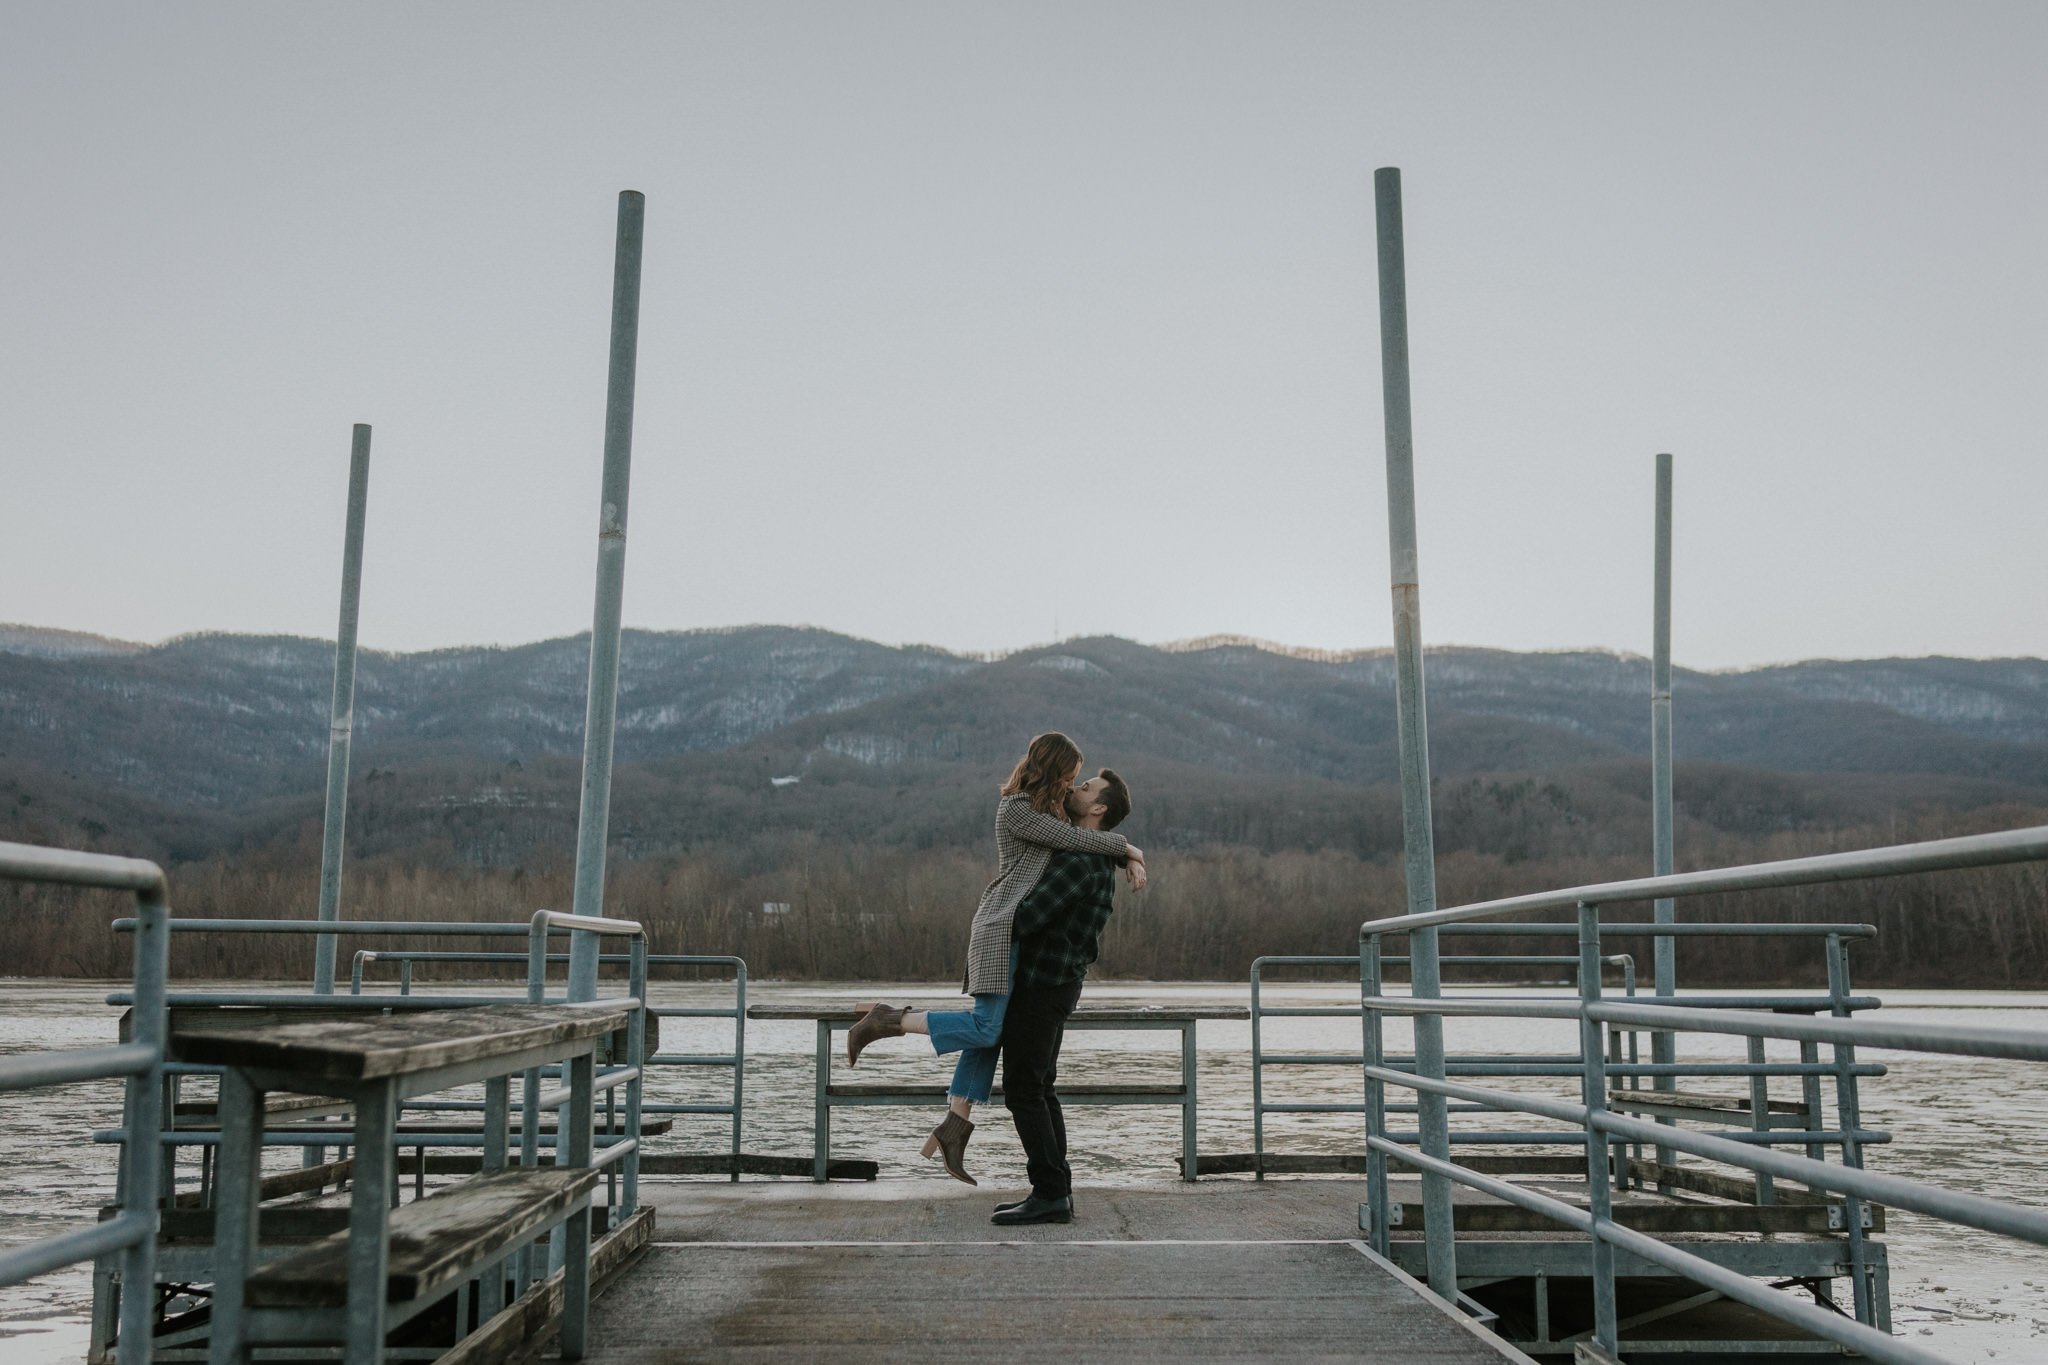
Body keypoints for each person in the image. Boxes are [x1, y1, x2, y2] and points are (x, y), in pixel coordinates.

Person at [845, 732, 1145, 1184]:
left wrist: (1126, 855)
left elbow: (1085, 836)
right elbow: (1078, 839)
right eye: (1069, 776)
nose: (1071, 785)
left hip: (1015, 933)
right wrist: (1131, 852)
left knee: (996, 1031)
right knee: (988, 1027)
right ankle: (888, 1019)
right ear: (1051, 768)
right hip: (1000, 927)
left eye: (1079, 783)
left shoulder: (1051, 810)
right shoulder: (1019, 809)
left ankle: (955, 1125)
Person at [989, 768, 1133, 1225]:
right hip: (1056, 985)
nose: (1075, 788)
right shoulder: (1090, 856)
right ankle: (1055, 1190)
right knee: (1039, 1088)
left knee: (1024, 1090)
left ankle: (1050, 1193)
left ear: (1098, 809)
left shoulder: (1080, 862)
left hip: (1043, 984)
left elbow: (1028, 917)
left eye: (1086, 787)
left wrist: (1001, 907)